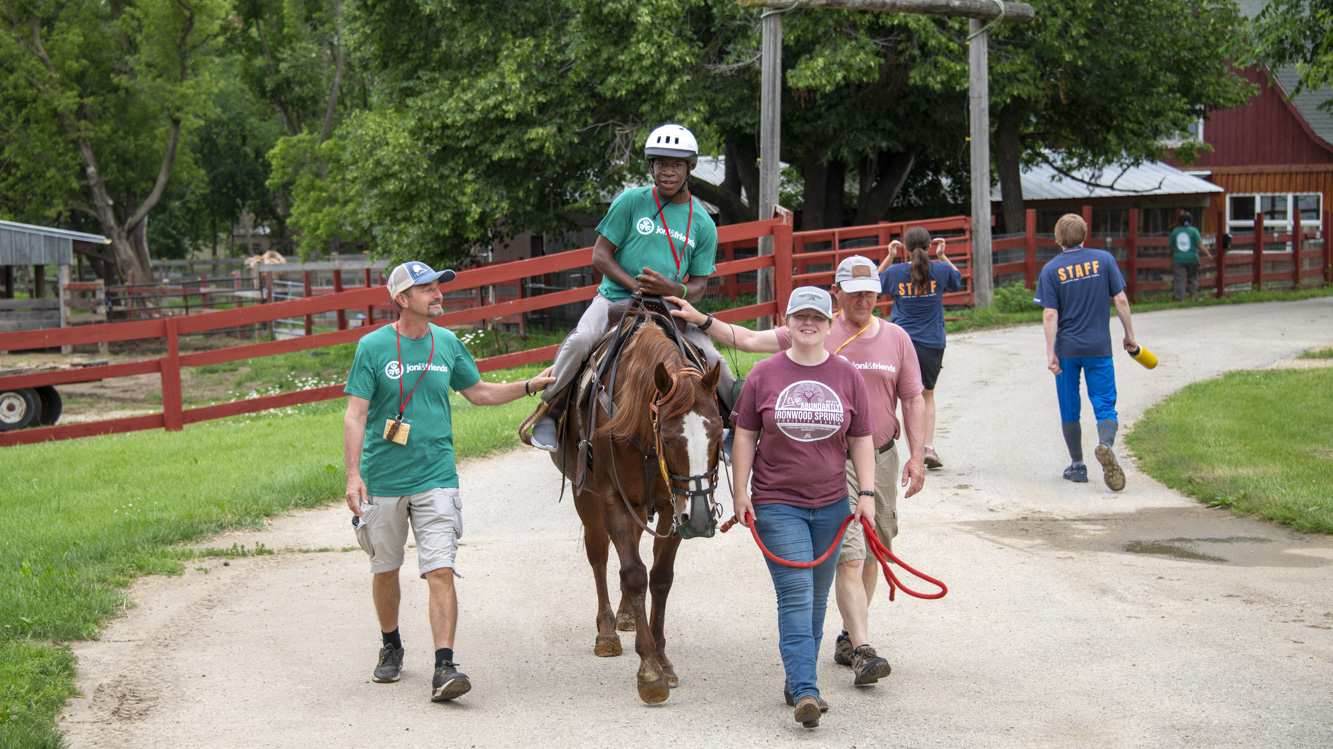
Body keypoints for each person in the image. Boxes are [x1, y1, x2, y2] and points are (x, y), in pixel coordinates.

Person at [668, 255, 925, 689]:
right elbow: (746, 340)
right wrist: (702, 318)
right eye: (853, 290)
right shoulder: (805, 334)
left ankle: (844, 637)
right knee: (848, 556)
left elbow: (914, 399)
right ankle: (856, 650)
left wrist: (917, 454)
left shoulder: (896, 339)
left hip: (878, 455)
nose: (862, 298)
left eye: (870, 291)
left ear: (879, 294)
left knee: (874, 545)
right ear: (837, 294)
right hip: (821, 465)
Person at [343, 260, 554, 703]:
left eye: (439, 287)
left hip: (437, 476)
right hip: (382, 479)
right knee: (385, 569)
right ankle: (392, 644)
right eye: (428, 289)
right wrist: (352, 476)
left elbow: (478, 393)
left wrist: (531, 385)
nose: (439, 294)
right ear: (402, 299)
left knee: (440, 568)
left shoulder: (449, 343)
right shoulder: (373, 347)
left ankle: (444, 665)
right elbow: (356, 414)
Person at [525, 123, 735, 451]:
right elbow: (600, 255)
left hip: (671, 307)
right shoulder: (631, 202)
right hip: (616, 298)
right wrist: (636, 286)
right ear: (651, 167)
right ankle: (548, 410)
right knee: (581, 341)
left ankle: (729, 423)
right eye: (661, 164)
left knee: (709, 355)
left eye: (676, 164)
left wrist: (673, 290)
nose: (668, 171)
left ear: (690, 168)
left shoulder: (703, 223)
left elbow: (699, 285)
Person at [728, 286, 878, 728]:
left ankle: (798, 680)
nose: (808, 324)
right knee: (795, 593)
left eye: (817, 317)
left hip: (832, 505)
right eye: (800, 317)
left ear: (830, 325)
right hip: (777, 503)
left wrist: (865, 495)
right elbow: (743, 436)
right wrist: (741, 492)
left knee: (815, 600)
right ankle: (807, 692)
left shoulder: (847, 374)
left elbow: (861, 438)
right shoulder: (763, 374)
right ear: (787, 323)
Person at [1033, 214, 1137, 491]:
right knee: (1104, 402)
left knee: (1069, 405)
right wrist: (1129, 335)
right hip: (1099, 347)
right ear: (1085, 235)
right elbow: (1121, 299)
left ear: (1057, 239)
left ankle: (1077, 466)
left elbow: (1050, 314)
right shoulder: (1104, 260)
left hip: (1067, 349)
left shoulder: (1052, 269)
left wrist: (1050, 351)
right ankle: (1105, 445)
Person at [877, 227, 963, 469]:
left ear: (904, 248)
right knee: (926, 395)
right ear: (929, 246)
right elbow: (958, 280)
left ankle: (881, 446)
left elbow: (870, 284)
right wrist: (943, 255)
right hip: (932, 342)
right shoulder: (941, 269)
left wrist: (889, 257)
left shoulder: (895, 272)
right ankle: (928, 448)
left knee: (893, 395)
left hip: (900, 342)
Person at [1169, 211, 1211, 302]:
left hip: (1178, 259)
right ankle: (1192, 296)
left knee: (1180, 279)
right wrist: (1208, 254)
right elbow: (1199, 244)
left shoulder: (1175, 231)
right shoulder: (1194, 231)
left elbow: (1172, 246)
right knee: (1192, 277)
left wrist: (1173, 255)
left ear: (1179, 221)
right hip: (1193, 258)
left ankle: (1182, 298)